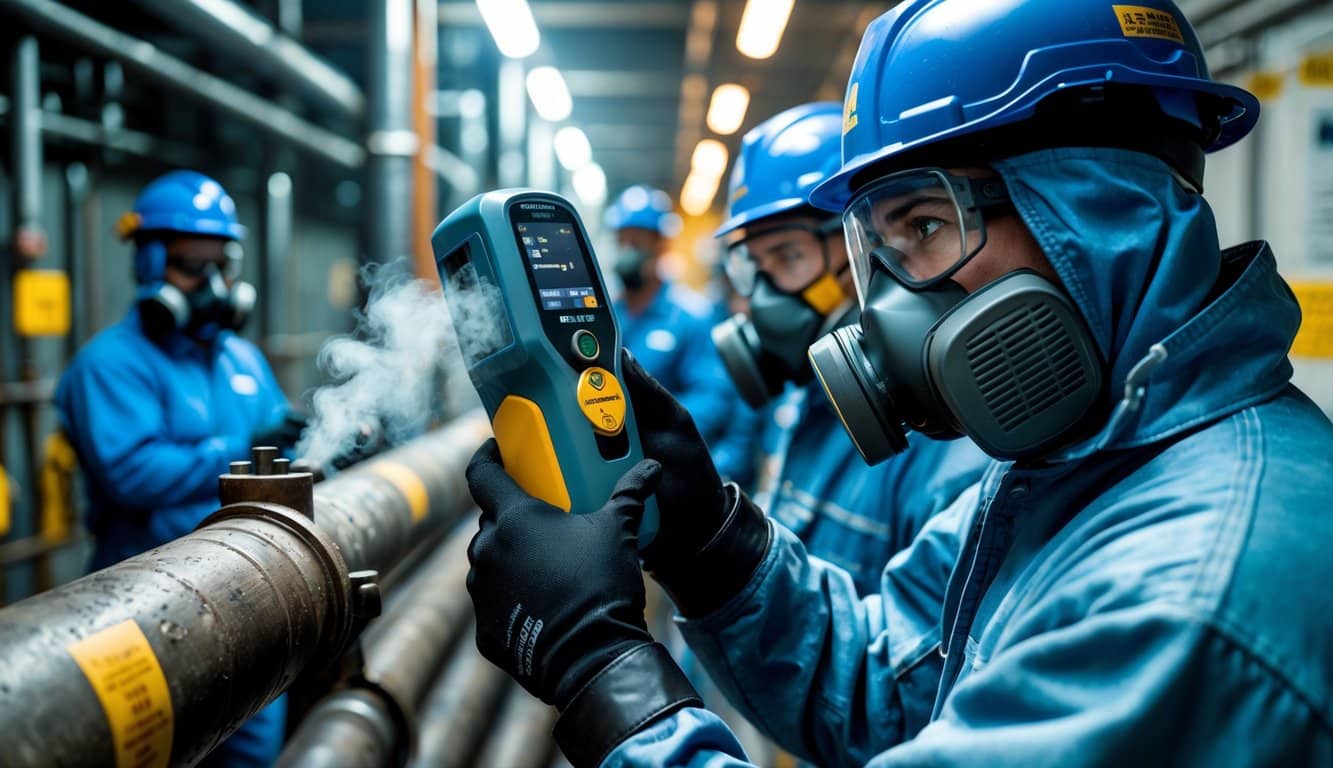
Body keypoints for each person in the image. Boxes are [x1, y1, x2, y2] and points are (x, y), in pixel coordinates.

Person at [463, 1, 1333, 766]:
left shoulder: (1188, 597)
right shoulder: (1075, 463)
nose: (887, 307)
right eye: (874, 249)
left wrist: (605, 680)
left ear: (1098, 211)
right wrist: (711, 546)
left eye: (923, 226)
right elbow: (884, 684)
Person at [56, 170, 302, 767]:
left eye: (221, 266)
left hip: (250, 602)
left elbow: (280, 455)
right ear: (149, 265)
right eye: (191, 266)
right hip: (146, 613)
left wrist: (325, 450)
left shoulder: (241, 358)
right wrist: (241, 447)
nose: (211, 285)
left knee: (250, 754)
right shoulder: (110, 365)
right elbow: (131, 473)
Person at [713, 101, 988, 593]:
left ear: (864, 246)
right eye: (756, 267)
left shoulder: (946, 443)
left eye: (788, 256)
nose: (765, 298)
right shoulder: (807, 398)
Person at [604, 185, 749, 484]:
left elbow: (712, 396)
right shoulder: (606, 316)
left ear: (661, 246)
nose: (628, 249)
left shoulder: (691, 317)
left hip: (666, 468)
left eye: (638, 241)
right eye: (623, 240)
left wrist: (650, 431)